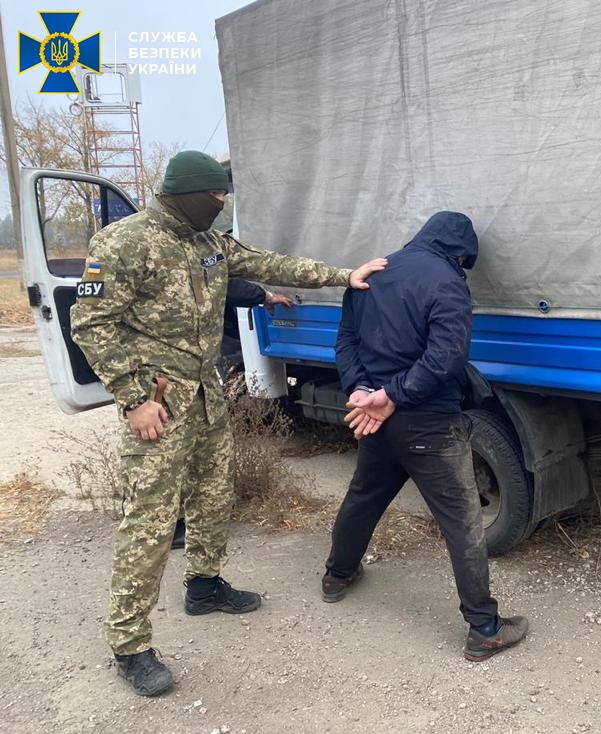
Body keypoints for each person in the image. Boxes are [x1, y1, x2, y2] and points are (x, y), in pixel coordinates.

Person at [71, 150, 387, 697]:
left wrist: (344, 276)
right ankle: (129, 645)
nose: (221, 203)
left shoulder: (208, 242)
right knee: (150, 525)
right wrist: (132, 399)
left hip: (206, 397)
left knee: (214, 498)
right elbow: (90, 324)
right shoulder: (122, 242)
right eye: (216, 195)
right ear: (187, 193)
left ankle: (205, 586)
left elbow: (268, 263)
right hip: (158, 404)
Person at [322, 211, 529, 661]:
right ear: (460, 253)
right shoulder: (447, 282)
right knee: (462, 522)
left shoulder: (372, 271)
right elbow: (445, 358)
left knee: (363, 497)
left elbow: (346, 341)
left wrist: (361, 390)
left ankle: (337, 576)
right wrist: (393, 395)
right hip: (430, 423)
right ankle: (484, 628)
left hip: (377, 419)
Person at [169, 278, 294, 550]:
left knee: (189, 450)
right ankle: (165, 527)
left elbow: (221, 279)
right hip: (167, 376)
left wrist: (262, 294)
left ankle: (188, 522)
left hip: (185, 369)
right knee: (167, 453)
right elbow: (220, 280)